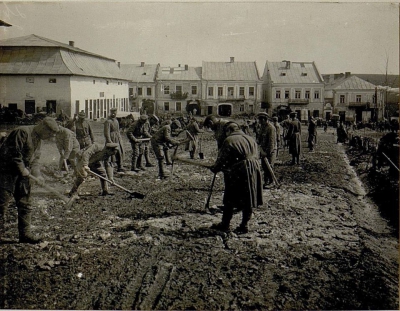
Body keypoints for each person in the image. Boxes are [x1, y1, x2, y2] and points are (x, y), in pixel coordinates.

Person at [0, 117, 60, 243]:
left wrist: (37, 174)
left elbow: (35, 160)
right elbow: (13, 154)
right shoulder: (22, 132)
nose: (49, 137)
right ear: (43, 127)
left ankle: (25, 234)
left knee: (25, 203)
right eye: (49, 133)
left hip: (23, 175)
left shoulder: (38, 139)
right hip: (6, 173)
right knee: (2, 203)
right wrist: (22, 169)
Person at [209, 122, 263, 234]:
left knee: (230, 197)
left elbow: (222, 159)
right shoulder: (250, 138)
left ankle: (225, 224)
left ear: (229, 130)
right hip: (254, 168)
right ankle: (244, 225)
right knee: (249, 198)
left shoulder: (229, 140)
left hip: (239, 170)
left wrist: (215, 167)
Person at [257, 112, 277, 188]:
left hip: (270, 151)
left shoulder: (271, 128)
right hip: (263, 150)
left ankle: (272, 182)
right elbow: (259, 138)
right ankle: (266, 181)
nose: (259, 122)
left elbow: (271, 142)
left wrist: (267, 152)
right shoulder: (262, 127)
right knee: (264, 166)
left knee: (270, 166)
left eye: (260, 120)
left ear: (264, 119)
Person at [104, 107, 126, 172]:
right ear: (111, 113)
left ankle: (120, 166)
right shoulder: (108, 122)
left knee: (119, 151)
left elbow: (118, 130)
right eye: (113, 112)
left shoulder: (116, 121)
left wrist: (119, 138)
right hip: (112, 138)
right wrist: (109, 141)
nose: (114, 114)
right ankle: (110, 167)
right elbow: (106, 132)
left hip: (117, 138)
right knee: (111, 153)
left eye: (115, 113)